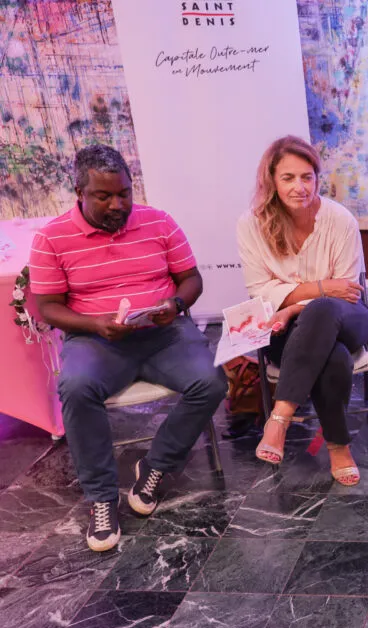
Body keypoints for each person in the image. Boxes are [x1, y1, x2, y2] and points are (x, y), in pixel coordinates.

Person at [29, 145, 228, 552]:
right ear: (79, 192)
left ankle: (155, 466)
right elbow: (47, 307)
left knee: (211, 382)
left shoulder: (159, 222)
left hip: (163, 334)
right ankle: (101, 498)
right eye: (104, 196)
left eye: (124, 193)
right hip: (96, 339)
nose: (118, 204)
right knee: (76, 388)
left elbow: (191, 279)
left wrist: (175, 304)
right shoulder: (51, 238)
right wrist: (94, 324)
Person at [238, 135, 368, 486]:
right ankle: (339, 447)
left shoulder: (339, 220)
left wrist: (294, 306)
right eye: (288, 178)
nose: (300, 187)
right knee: (333, 356)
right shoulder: (251, 224)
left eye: (307, 177)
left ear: (316, 178)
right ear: (271, 180)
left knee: (325, 311)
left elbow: (346, 292)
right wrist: (320, 288)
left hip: (347, 318)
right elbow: (260, 293)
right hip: (285, 331)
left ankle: (280, 417)